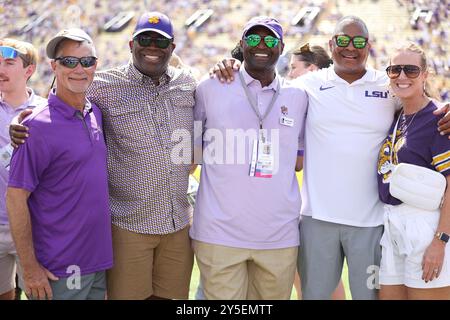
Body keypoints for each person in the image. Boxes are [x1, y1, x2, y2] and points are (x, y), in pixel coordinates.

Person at [211, 15, 450, 299]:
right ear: (331, 44)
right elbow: (264, 85)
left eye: (358, 41)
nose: (351, 47)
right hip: (317, 218)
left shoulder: (387, 87)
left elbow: (421, 103)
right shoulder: (306, 85)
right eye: (343, 40)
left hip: (371, 221)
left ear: (369, 46)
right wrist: (230, 65)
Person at [9, 12, 196, 300]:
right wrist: (24, 121)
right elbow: (60, 99)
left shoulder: (187, 84)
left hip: (174, 226)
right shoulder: (103, 86)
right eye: (145, 39)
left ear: (172, 48)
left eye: (161, 42)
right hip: (127, 227)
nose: (152, 47)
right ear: (131, 44)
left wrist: (230, 64)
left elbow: (72, 95)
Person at [191, 16, 308, 300]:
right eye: (253, 39)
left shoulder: (299, 97)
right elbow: (190, 155)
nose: (261, 45)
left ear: (281, 47)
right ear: (241, 44)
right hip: (219, 234)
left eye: (270, 40)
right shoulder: (208, 88)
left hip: (278, 236)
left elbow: (298, 160)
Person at [6, 28, 113, 300]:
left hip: (97, 262)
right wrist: (29, 269)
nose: (79, 69)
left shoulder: (94, 112)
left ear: (95, 66)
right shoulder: (34, 126)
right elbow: (16, 198)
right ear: (54, 66)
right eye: (69, 61)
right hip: (59, 268)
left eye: (86, 61)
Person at [377, 42, 450, 300]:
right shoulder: (398, 114)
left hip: (425, 227)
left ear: (425, 75)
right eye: (395, 70)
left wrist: (440, 240)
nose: (402, 76)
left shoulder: (438, 119)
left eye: (410, 70)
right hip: (392, 225)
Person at [285, 42, 346, 300]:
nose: (289, 75)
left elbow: (297, 162)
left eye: (293, 68)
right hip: (316, 202)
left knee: (319, 277)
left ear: (311, 69)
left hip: (328, 205)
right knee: (308, 277)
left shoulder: (327, 101)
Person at [0, 39, 46, 300]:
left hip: (33, 226)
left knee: (41, 292)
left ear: (29, 71)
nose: (1, 69)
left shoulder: (44, 111)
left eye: (9, 63)